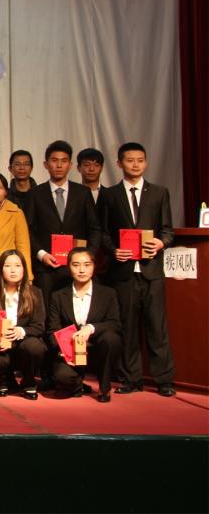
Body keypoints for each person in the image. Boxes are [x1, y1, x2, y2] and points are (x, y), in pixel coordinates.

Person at [100, 142, 175, 397]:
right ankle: (131, 378)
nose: (135, 164)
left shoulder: (159, 192)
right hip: (122, 272)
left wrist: (161, 242)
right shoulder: (109, 195)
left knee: (157, 327)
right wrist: (113, 251)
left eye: (140, 160)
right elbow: (103, 232)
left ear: (146, 162)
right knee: (127, 327)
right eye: (130, 160)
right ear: (119, 163)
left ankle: (164, 380)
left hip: (151, 271)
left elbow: (168, 230)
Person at [28, 140, 102, 307]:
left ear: (70, 165)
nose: (59, 165)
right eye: (54, 160)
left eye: (64, 161)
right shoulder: (35, 194)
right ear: (46, 164)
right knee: (47, 310)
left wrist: (86, 257)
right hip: (45, 267)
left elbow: (95, 229)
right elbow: (28, 230)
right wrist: (42, 254)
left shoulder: (83, 193)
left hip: (76, 266)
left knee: (75, 309)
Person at [47, 247, 121, 403]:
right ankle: (78, 385)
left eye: (87, 265)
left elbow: (114, 324)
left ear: (94, 266)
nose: (82, 270)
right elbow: (52, 330)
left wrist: (91, 328)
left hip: (97, 349)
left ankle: (104, 387)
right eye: (76, 265)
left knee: (111, 338)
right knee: (63, 380)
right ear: (69, 267)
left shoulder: (108, 293)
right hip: (70, 351)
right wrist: (63, 350)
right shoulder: (58, 296)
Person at [0, 250, 46, 400]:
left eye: (17, 265)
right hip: (0, 347)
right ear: (0, 269)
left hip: (23, 344)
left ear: (24, 269)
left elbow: (39, 326)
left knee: (34, 347)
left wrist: (21, 331)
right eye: (8, 265)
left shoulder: (35, 293)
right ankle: (1, 380)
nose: (13, 270)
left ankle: (28, 382)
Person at [6, 150, 37, 214]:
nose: (22, 167)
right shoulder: (5, 196)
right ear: (10, 168)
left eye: (26, 164)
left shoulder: (41, 195)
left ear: (31, 168)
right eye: (17, 164)